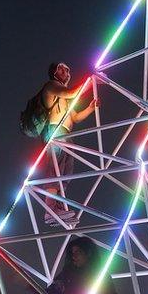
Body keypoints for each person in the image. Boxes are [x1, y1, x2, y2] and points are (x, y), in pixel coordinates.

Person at [38, 62, 98, 226]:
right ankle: (50, 209)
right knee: (55, 169)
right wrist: (90, 81)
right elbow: (72, 93)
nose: (66, 71)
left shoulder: (64, 96)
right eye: (61, 68)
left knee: (66, 172)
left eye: (68, 69)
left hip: (67, 133)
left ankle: (57, 206)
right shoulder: (51, 86)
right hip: (56, 131)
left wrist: (90, 108)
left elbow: (75, 117)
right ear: (54, 72)